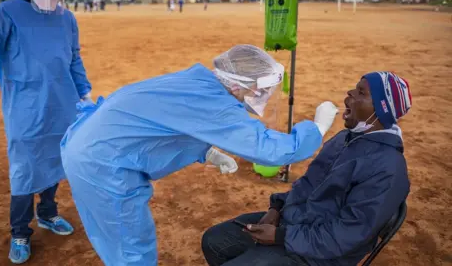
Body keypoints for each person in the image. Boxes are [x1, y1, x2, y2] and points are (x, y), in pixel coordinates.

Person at [60, 44, 340, 266]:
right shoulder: (216, 103)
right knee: (129, 248)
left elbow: (169, 123)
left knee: (119, 242)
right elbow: (272, 151)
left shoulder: (201, 81)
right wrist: (317, 127)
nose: (264, 94)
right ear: (237, 84)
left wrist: (207, 152)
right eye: (262, 88)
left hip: (89, 143)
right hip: (102, 163)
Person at [202, 71, 412, 266]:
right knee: (213, 241)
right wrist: (277, 208)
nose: (349, 93)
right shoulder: (345, 139)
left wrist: (280, 237)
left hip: (320, 255)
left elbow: (348, 234)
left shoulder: (387, 168)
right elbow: (308, 183)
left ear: (381, 109)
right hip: (295, 223)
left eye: (361, 92)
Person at [0, 0, 92, 264]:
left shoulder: (67, 19)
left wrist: (85, 94)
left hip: (62, 106)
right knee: (24, 170)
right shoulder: (6, 13)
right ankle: (20, 232)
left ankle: (48, 213)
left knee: (54, 160)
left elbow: (74, 58)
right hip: (25, 108)